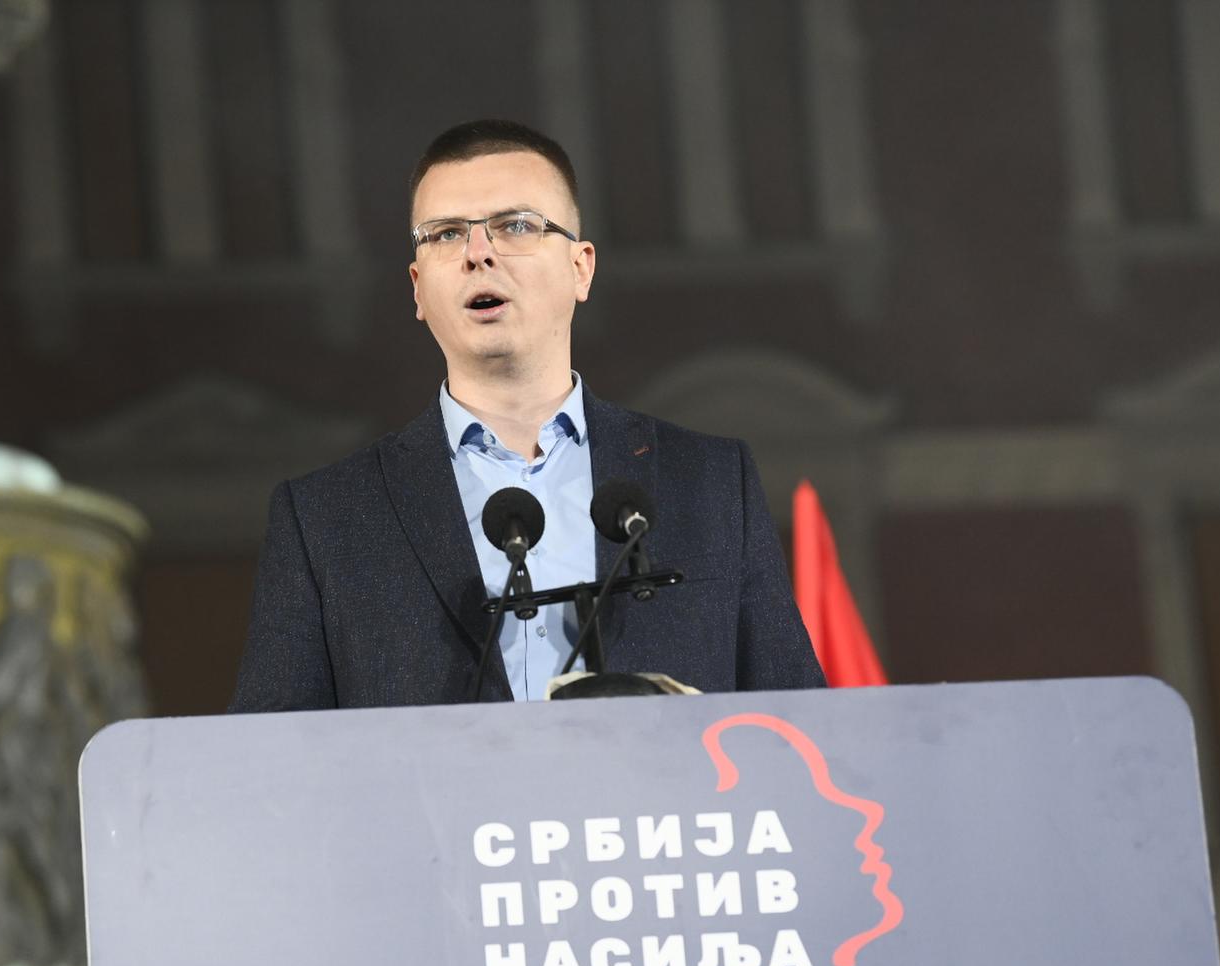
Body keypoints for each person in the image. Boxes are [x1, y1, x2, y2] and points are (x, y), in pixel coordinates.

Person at [229, 119, 824, 712]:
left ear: (581, 268)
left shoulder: (711, 482)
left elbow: (799, 725)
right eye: (445, 234)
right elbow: (271, 761)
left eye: (514, 226)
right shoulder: (326, 519)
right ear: (417, 287)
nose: (478, 254)